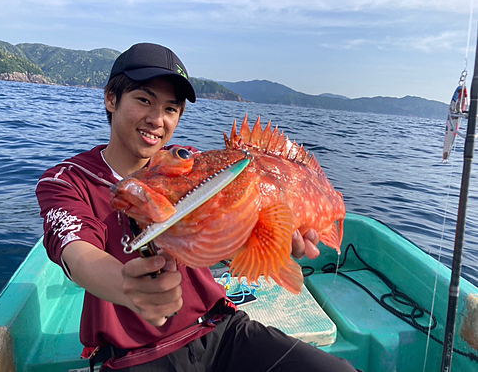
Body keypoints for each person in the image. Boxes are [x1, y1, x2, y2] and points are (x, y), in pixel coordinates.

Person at [36, 43, 358, 372]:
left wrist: (271, 242)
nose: (156, 119)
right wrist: (127, 285)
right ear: (111, 99)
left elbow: (232, 233)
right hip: (135, 355)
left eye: (171, 109)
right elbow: (77, 255)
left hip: (221, 329)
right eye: (144, 100)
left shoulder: (191, 164)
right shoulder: (66, 181)